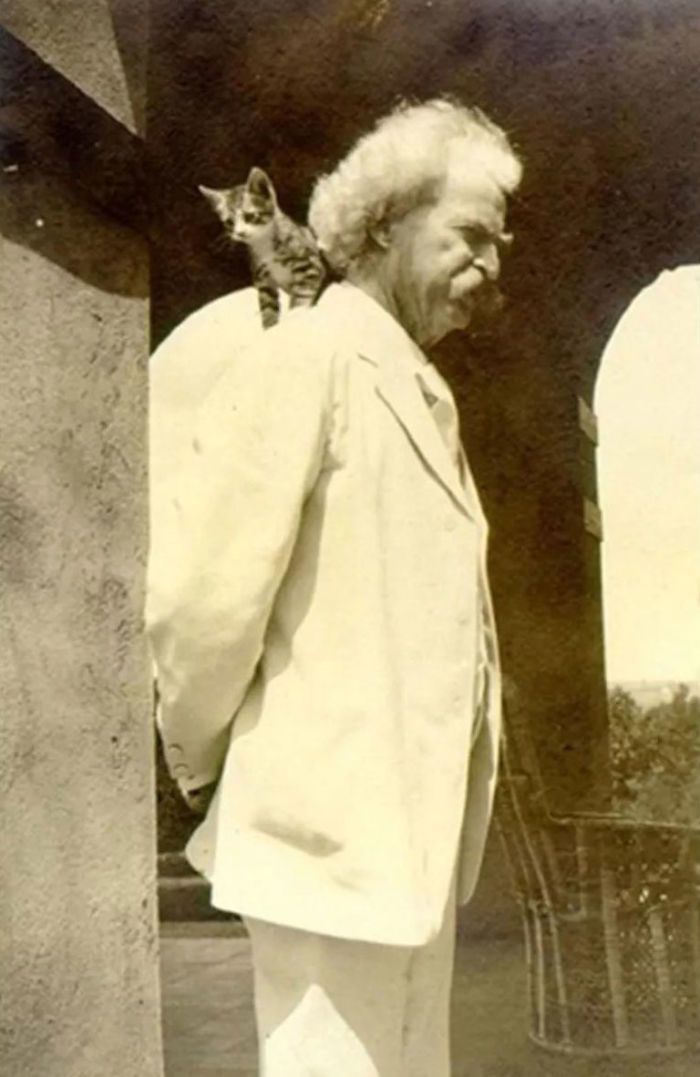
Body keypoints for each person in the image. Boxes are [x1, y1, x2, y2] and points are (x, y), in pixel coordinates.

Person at [146, 97, 522, 1076]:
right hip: (324, 841)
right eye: (471, 234)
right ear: (386, 224)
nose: (493, 263)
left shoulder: (415, 387)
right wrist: (212, 765)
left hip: (408, 849)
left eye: (500, 241)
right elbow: (204, 600)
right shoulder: (306, 359)